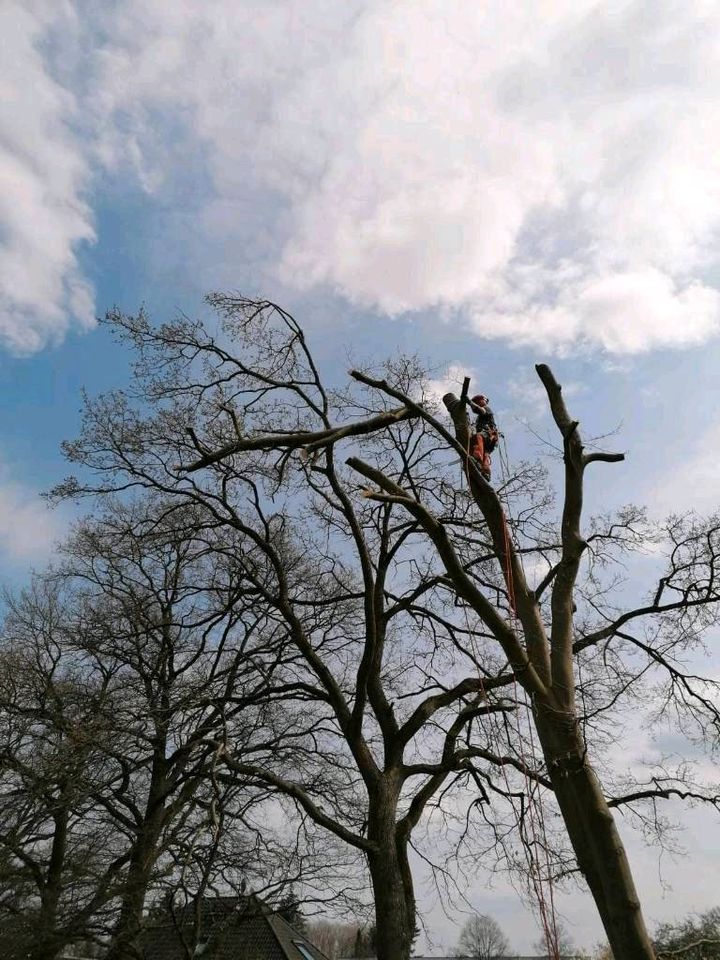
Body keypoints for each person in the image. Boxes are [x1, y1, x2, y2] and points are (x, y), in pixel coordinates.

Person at [467, 393, 499, 481]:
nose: (475, 404)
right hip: (490, 440)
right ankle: (486, 472)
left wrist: (469, 402)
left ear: (482, 401)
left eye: (477, 402)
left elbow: (481, 411)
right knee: (485, 454)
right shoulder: (479, 419)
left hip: (489, 434)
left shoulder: (486, 409)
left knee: (478, 437)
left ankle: (477, 458)